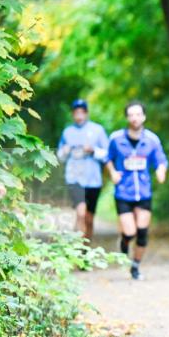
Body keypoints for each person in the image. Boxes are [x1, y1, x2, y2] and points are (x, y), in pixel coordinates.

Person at [105, 101, 168, 280]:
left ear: (144, 117)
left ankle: (135, 266)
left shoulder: (152, 140)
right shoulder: (116, 139)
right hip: (123, 192)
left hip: (144, 192)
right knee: (130, 232)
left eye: (138, 114)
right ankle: (124, 242)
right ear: (127, 117)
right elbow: (107, 158)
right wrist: (112, 172)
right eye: (131, 115)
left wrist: (161, 171)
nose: (134, 118)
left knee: (142, 232)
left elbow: (161, 160)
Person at [57, 98, 109, 243]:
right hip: (74, 179)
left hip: (93, 180)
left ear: (86, 113)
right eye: (76, 112)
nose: (79, 115)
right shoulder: (67, 132)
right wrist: (65, 151)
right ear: (73, 114)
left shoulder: (98, 130)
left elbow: (107, 154)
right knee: (80, 213)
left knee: (89, 218)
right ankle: (78, 249)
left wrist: (93, 150)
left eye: (82, 112)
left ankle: (86, 248)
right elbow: (60, 156)